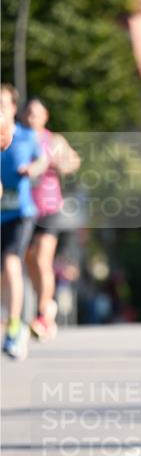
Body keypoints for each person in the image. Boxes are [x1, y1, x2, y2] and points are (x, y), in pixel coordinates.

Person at [23, 97, 81, 340]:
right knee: (29, 260)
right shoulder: (19, 138)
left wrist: (58, 165)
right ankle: (46, 305)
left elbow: (74, 161)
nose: (31, 118)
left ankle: (41, 313)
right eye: (28, 113)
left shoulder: (53, 140)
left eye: (36, 114)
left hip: (49, 207)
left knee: (42, 259)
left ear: (45, 117)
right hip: (25, 208)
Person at [1, 84, 46, 360]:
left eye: (3, 105)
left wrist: (33, 169)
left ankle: (15, 329)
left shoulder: (27, 136)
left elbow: (42, 161)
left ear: (13, 108)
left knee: (11, 262)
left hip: (20, 213)